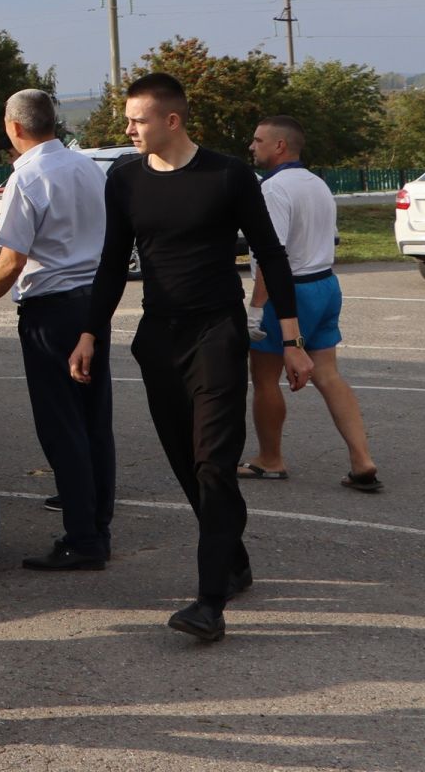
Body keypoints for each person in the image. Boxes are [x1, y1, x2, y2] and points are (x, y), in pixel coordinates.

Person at [76, 73, 306, 644]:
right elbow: (111, 262)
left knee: (213, 463)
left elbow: (270, 255)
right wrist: (90, 332)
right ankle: (234, 557)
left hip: (217, 335)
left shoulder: (228, 174)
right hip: (159, 337)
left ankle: (209, 604)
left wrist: (293, 339)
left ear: (171, 120)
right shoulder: (124, 178)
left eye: (138, 119)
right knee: (185, 462)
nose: (128, 128)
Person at [0, 90, 116, 571]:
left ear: (13, 127)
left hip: (51, 308)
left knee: (61, 424)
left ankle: (82, 537)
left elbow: (11, 259)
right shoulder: (86, 167)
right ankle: (97, 521)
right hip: (92, 305)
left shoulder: (26, 177)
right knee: (93, 417)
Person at [239, 116, 380, 492]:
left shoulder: (272, 190)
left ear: (280, 146)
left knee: (265, 379)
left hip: (290, 292)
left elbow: (273, 257)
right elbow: (330, 240)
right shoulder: (318, 184)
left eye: (258, 140)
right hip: (325, 284)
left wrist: (256, 309)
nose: (252, 147)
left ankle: (270, 459)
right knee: (328, 374)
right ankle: (361, 458)